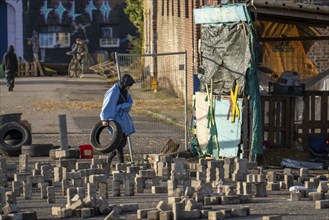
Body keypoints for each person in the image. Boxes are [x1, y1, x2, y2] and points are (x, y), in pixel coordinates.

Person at [100, 74, 136, 165]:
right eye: (129, 85)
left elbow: (129, 102)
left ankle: (109, 160)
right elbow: (108, 104)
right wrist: (105, 118)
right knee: (118, 142)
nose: (129, 87)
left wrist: (124, 107)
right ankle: (121, 163)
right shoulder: (113, 91)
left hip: (123, 119)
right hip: (115, 119)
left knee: (122, 142)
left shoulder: (124, 91)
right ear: (125, 83)